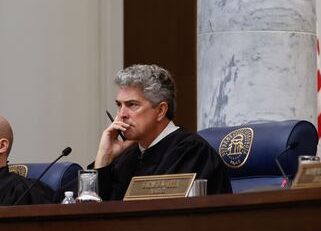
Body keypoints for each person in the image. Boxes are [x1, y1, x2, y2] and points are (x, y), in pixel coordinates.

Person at [93, 64, 232, 200]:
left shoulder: (192, 152)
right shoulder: (126, 157)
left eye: (132, 105)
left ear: (160, 111)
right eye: (119, 105)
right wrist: (104, 157)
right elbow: (94, 214)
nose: (122, 114)